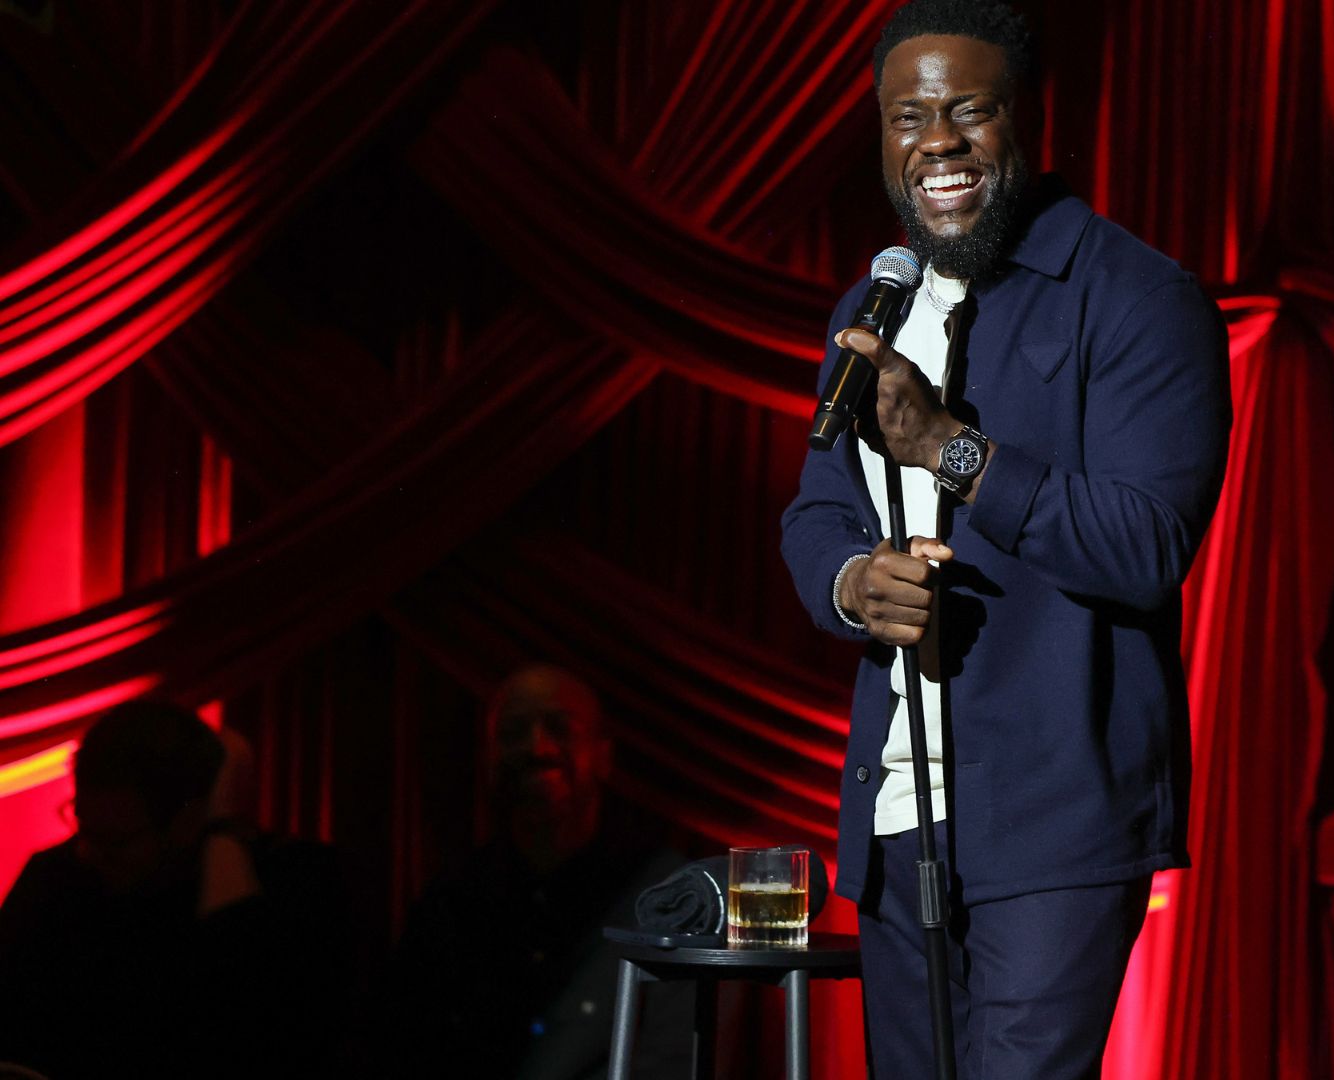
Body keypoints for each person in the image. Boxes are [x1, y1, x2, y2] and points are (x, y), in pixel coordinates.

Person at [779, 2, 1231, 1075]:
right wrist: (854, 582)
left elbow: (1147, 539)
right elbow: (817, 510)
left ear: (1026, 119)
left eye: (969, 111)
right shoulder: (874, 306)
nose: (936, 141)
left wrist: (953, 452)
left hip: (1054, 819)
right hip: (896, 815)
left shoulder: (1135, 298)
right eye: (908, 116)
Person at [0, 699, 357, 1078]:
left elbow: (274, 1040)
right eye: (83, 827)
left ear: (188, 820)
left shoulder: (294, 883)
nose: (88, 853)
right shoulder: (53, 880)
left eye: (115, 842)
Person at [380, 664, 692, 1079]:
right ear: (490, 758)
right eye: (513, 733)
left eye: (560, 728)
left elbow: (673, 1059)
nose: (537, 747)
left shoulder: (661, 895)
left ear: (603, 756)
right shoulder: (449, 903)